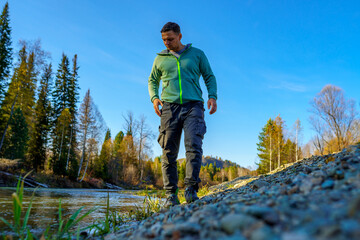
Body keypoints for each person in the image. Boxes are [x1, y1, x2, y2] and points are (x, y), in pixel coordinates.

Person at [148, 22, 217, 207]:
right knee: (168, 151)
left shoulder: (197, 54)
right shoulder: (160, 58)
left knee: (193, 146)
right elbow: (152, 80)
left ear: (180, 36)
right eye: (163, 39)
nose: (166, 43)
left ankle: (191, 190)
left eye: (170, 39)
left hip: (194, 105)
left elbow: (209, 76)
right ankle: (171, 195)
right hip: (169, 108)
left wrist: (212, 96)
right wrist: (155, 98)